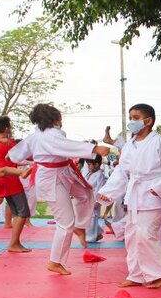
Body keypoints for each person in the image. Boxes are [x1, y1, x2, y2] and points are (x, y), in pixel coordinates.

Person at [10, 104, 108, 275]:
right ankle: (55, 261)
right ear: (56, 119)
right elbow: (68, 146)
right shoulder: (50, 136)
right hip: (51, 179)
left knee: (86, 194)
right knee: (65, 222)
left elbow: (16, 153)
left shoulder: (37, 136)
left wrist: (12, 155)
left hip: (63, 172)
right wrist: (94, 149)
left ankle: (79, 226)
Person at [98, 103, 161, 288]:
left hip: (154, 193)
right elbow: (122, 171)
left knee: (146, 233)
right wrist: (108, 193)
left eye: (135, 118)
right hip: (134, 194)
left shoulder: (160, 142)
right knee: (132, 235)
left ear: (148, 121)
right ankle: (136, 274)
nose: (131, 122)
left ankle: (160, 273)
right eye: (130, 118)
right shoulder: (129, 145)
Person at [0, 116, 33, 252]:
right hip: (11, 180)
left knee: (16, 210)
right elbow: (24, 155)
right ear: (7, 128)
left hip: (1, 180)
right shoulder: (9, 143)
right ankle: (14, 243)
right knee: (23, 212)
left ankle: (12, 239)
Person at [83, 155, 108, 244]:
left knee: (92, 219)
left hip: (95, 200)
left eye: (90, 165)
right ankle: (97, 233)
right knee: (88, 218)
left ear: (97, 164)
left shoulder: (100, 175)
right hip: (88, 200)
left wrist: (98, 202)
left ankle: (90, 238)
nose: (88, 167)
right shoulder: (90, 173)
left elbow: (101, 189)